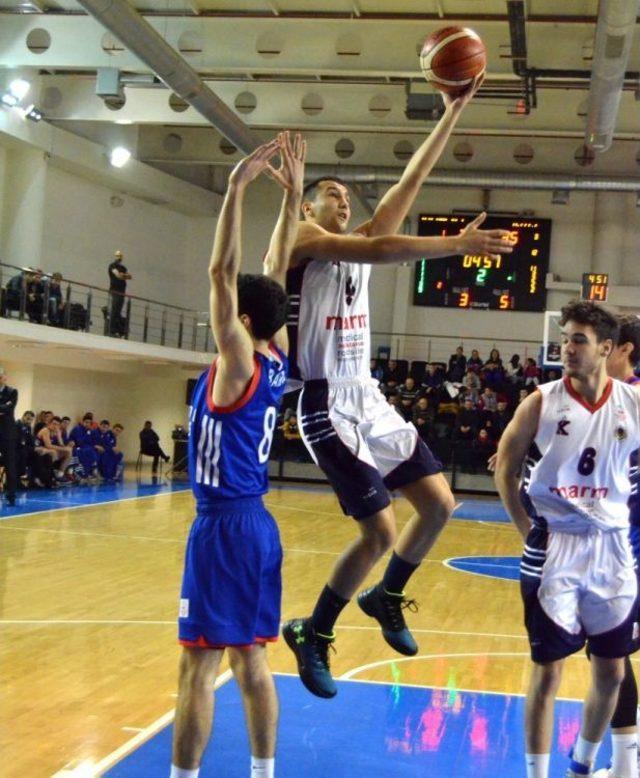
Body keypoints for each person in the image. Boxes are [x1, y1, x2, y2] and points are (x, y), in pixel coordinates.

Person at [281, 77, 516, 699]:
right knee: (379, 531)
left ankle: (387, 595)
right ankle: (314, 631)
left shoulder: (357, 246)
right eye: (329, 193)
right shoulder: (299, 241)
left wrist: (451, 114)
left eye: (345, 195)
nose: (341, 199)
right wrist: (457, 244)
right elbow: (389, 246)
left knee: (439, 506)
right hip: (325, 400)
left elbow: (404, 187)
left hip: (370, 395)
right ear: (307, 208)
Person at [170, 131, 305, 778]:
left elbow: (222, 272)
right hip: (258, 525)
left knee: (195, 666)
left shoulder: (240, 358)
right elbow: (273, 272)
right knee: (251, 662)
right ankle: (262, 773)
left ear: (242, 322)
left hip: (222, 525)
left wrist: (235, 187)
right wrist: (295, 199)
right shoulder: (275, 353)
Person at [494, 301, 640, 778]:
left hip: (613, 547)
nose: (568, 348)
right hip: (556, 543)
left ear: (606, 348)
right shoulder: (541, 400)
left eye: (579, 340)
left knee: (612, 670)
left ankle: (583, 764)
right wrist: (524, 528)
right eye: (565, 339)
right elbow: (505, 465)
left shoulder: (633, 402)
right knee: (548, 669)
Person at [593, 313, 640, 778]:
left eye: (608, 344)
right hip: (615, 548)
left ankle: (627, 766)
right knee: (610, 655)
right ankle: (626, 765)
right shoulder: (600, 401)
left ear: (624, 350)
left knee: (612, 655)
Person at [0, 367, 18, 506]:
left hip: (7, 434)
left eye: (1, 376)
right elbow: (3, 408)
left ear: (5, 377)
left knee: (10, 465)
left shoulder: (12, 392)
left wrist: (4, 408)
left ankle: (11, 494)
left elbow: (8, 408)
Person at [108, 250, 131, 337]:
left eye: (120, 256)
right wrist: (123, 275)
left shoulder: (123, 268)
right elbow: (118, 276)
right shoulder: (112, 266)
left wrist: (123, 275)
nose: (119, 258)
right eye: (117, 256)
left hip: (122, 292)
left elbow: (129, 276)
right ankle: (111, 330)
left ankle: (116, 330)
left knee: (118, 310)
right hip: (115, 290)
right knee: (114, 309)